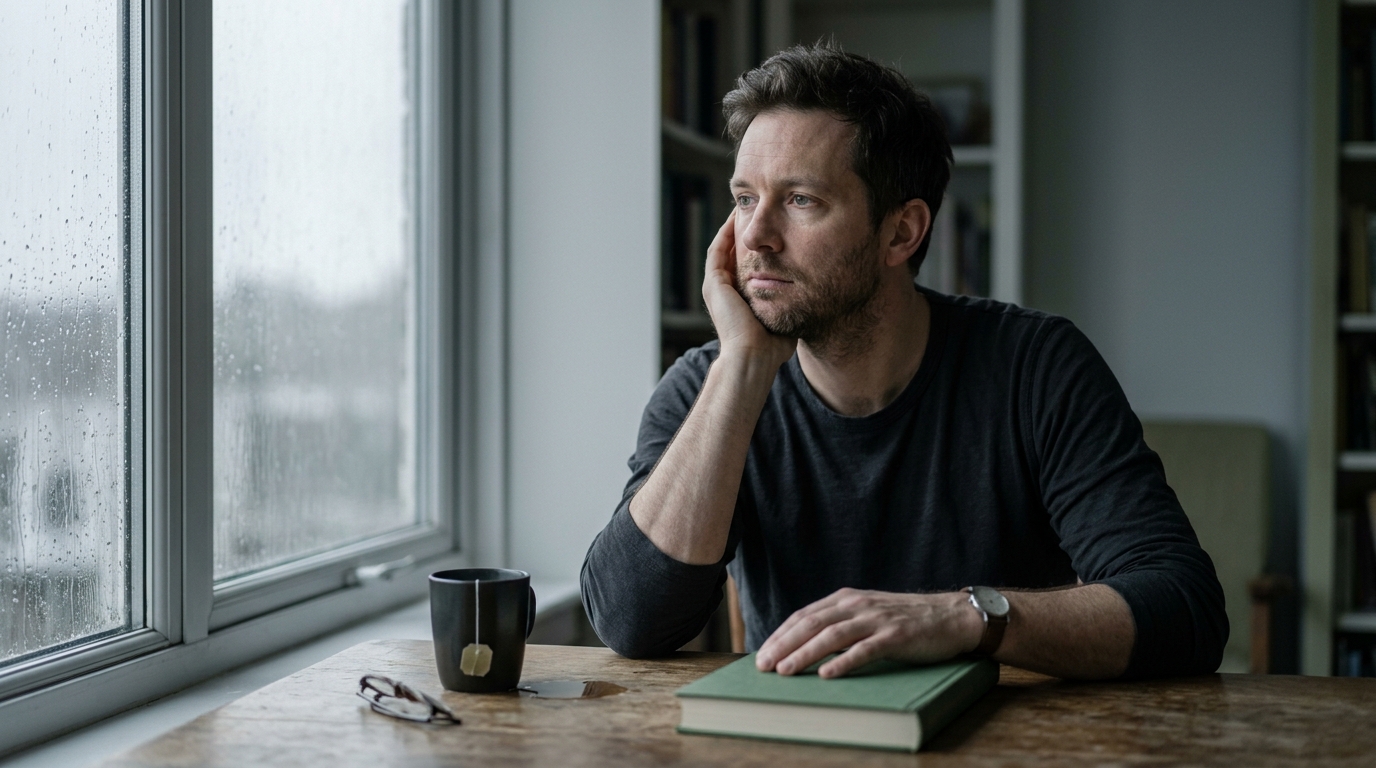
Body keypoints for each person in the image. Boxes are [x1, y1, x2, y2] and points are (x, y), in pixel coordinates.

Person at [580, 42, 1226, 680]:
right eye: (745, 198)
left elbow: (1184, 610)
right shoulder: (707, 385)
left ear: (902, 232)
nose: (755, 237)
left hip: (1005, 741)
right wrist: (742, 368)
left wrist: (964, 619)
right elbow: (632, 622)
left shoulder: (1036, 367)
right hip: (792, 741)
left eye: (800, 200)